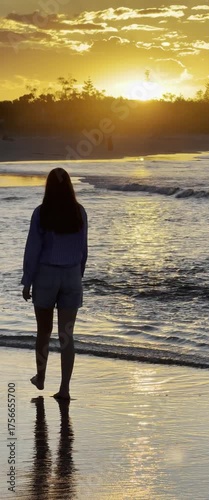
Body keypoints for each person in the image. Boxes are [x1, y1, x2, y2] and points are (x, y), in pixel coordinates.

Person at [21, 167, 88, 400]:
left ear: (48, 186)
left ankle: (40, 377)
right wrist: (78, 275)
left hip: (46, 275)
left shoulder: (42, 213)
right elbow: (83, 250)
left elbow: (33, 250)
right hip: (71, 276)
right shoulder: (79, 212)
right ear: (69, 186)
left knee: (44, 331)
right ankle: (65, 389)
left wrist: (27, 281)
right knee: (66, 336)